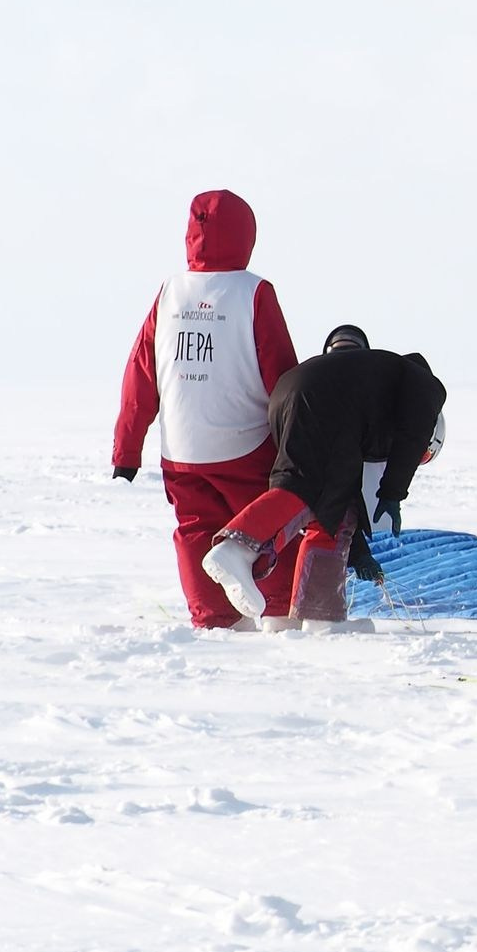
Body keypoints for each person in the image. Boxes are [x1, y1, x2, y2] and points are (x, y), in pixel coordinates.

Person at [111, 190, 301, 628]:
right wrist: (300, 437)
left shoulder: (168, 292)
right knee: (264, 529)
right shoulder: (255, 292)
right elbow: (281, 372)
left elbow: (141, 373)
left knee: (195, 530)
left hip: (182, 447)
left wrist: (126, 450)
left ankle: (215, 621)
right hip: (246, 444)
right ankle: (277, 613)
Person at [201, 324, 447, 627]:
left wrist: (360, 555)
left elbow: (345, 491)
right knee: (304, 488)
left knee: (331, 507)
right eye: (423, 456)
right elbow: (412, 436)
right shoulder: (426, 388)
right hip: (320, 403)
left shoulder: (368, 388)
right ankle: (237, 547)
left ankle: (318, 615)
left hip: (286, 396)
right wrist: (393, 493)